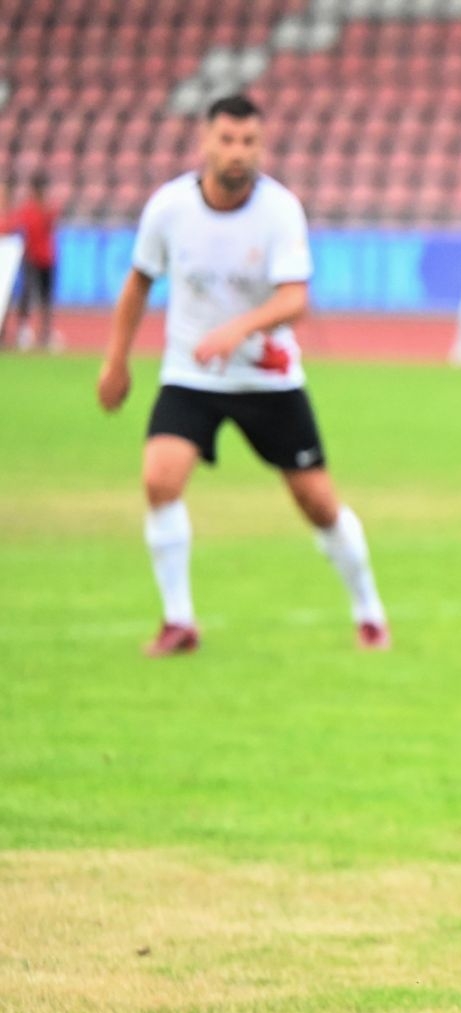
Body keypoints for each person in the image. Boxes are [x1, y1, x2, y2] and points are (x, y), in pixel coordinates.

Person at [97, 95, 389, 657]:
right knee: (160, 481)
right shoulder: (169, 209)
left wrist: (238, 330)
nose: (238, 153)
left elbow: (295, 300)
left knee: (318, 503)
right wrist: (116, 361)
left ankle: (368, 610)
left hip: (266, 379)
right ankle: (178, 621)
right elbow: (138, 283)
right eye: (227, 141)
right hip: (191, 373)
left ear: (261, 145)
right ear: (205, 142)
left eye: (249, 142)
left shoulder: (279, 210)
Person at [5, 173, 59, 351]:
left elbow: (51, 227)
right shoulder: (27, 210)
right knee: (27, 296)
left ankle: (45, 332)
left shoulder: (49, 209)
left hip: (48, 259)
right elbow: (14, 227)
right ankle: (23, 330)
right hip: (31, 258)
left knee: (46, 297)